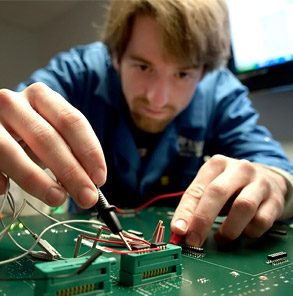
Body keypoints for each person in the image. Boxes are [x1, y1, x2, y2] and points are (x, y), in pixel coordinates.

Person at [0, 0, 293, 248]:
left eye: (183, 74)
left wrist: (274, 182)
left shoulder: (221, 92)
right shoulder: (80, 72)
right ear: (115, 57)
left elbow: (272, 167)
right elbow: (17, 116)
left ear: (204, 73)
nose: (158, 98)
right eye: (143, 67)